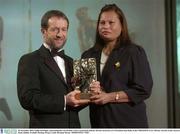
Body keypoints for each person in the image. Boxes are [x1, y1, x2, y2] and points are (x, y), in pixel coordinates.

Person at [83, 4, 153, 128]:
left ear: (122, 25)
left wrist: (109, 97)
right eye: (102, 22)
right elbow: (84, 93)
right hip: (100, 123)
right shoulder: (88, 55)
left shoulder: (134, 52)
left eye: (111, 22)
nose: (106, 26)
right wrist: (85, 89)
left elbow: (143, 89)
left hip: (128, 122)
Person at [17, 10, 89, 128]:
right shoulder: (29, 60)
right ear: (43, 31)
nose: (60, 34)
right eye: (55, 29)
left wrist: (90, 94)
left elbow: (76, 101)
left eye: (64, 29)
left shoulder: (72, 62)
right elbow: (28, 98)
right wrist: (64, 100)